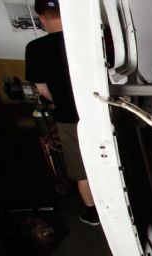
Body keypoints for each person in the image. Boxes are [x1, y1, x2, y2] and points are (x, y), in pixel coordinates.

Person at [24, 0, 99, 226]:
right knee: (111, 158)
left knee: (81, 169)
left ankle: (93, 214)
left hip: (69, 118)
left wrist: (62, 101)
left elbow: (41, 88)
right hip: (102, 112)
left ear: (42, 18)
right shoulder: (90, 38)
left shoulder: (35, 48)